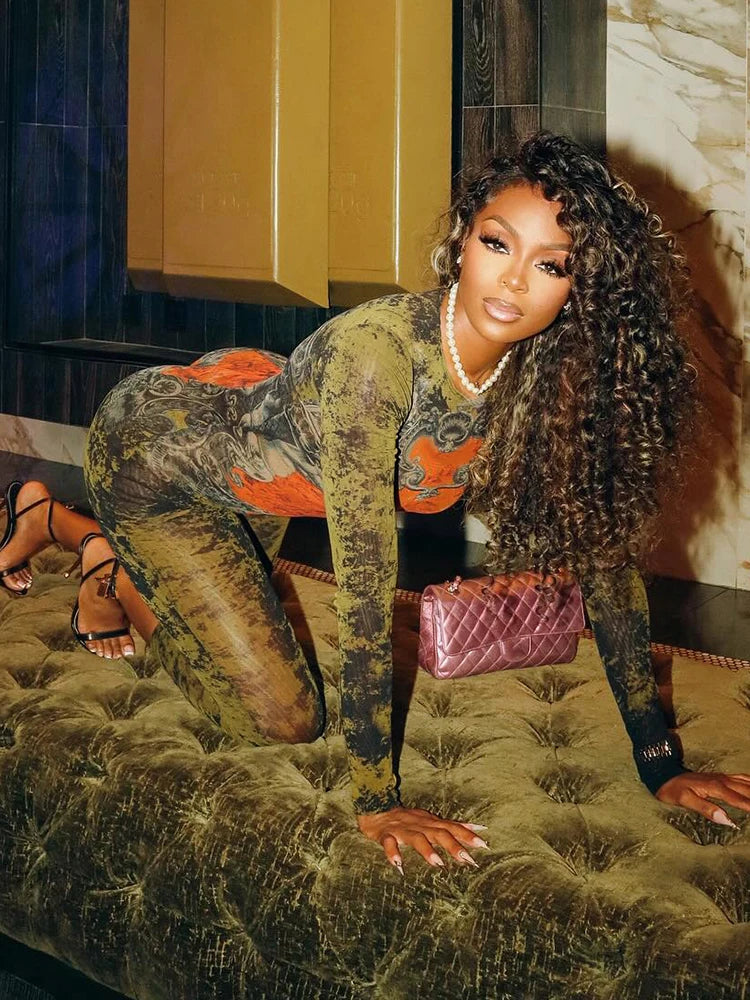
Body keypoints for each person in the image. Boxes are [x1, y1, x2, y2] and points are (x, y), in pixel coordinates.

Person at [2, 132, 749, 874]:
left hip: (263, 458)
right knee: (282, 718)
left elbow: (603, 562)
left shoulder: (544, 375)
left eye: (551, 264)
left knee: (247, 629)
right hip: (157, 462)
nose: (515, 281)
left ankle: (84, 539)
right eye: (497, 243)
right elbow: (365, 591)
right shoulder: (379, 359)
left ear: (582, 288)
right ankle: (99, 552)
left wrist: (660, 761)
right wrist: (377, 799)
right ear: (462, 240)